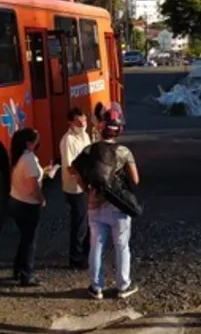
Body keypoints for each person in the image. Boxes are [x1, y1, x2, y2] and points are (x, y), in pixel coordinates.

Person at [76, 108, 140, 300]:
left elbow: (76, 172)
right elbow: (135, 180)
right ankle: (123, 286)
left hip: (94, 205)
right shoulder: (123, 151)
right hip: (118, 206)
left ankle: (96, 287)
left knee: (96, 245)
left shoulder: (89, 150)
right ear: (119, 130)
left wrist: (88, 189)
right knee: (122, 246)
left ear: (101, 128)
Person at [8, 127, 48, 287]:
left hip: (16, 201)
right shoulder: (29, 159)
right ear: (28, 144)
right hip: (28, 205)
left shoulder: (19, 157)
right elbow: (33, 188)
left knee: (24, 238)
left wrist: (43, 171)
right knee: (30, 240)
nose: (37, 145)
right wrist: (42, 199)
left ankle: (18, 269)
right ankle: (26, 274)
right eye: (35, 143)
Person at [60, 107, 93, 269]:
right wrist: (83, 183)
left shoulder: (85, 136)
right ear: (70, 123)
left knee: (89, 222)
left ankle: (87, 254)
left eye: (84, 121)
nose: (82, 124)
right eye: (78, 122)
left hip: (86, 186)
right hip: (76, 189)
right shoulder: (68, 140)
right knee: (79, 223)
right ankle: (75, 257)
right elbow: (70, 167)